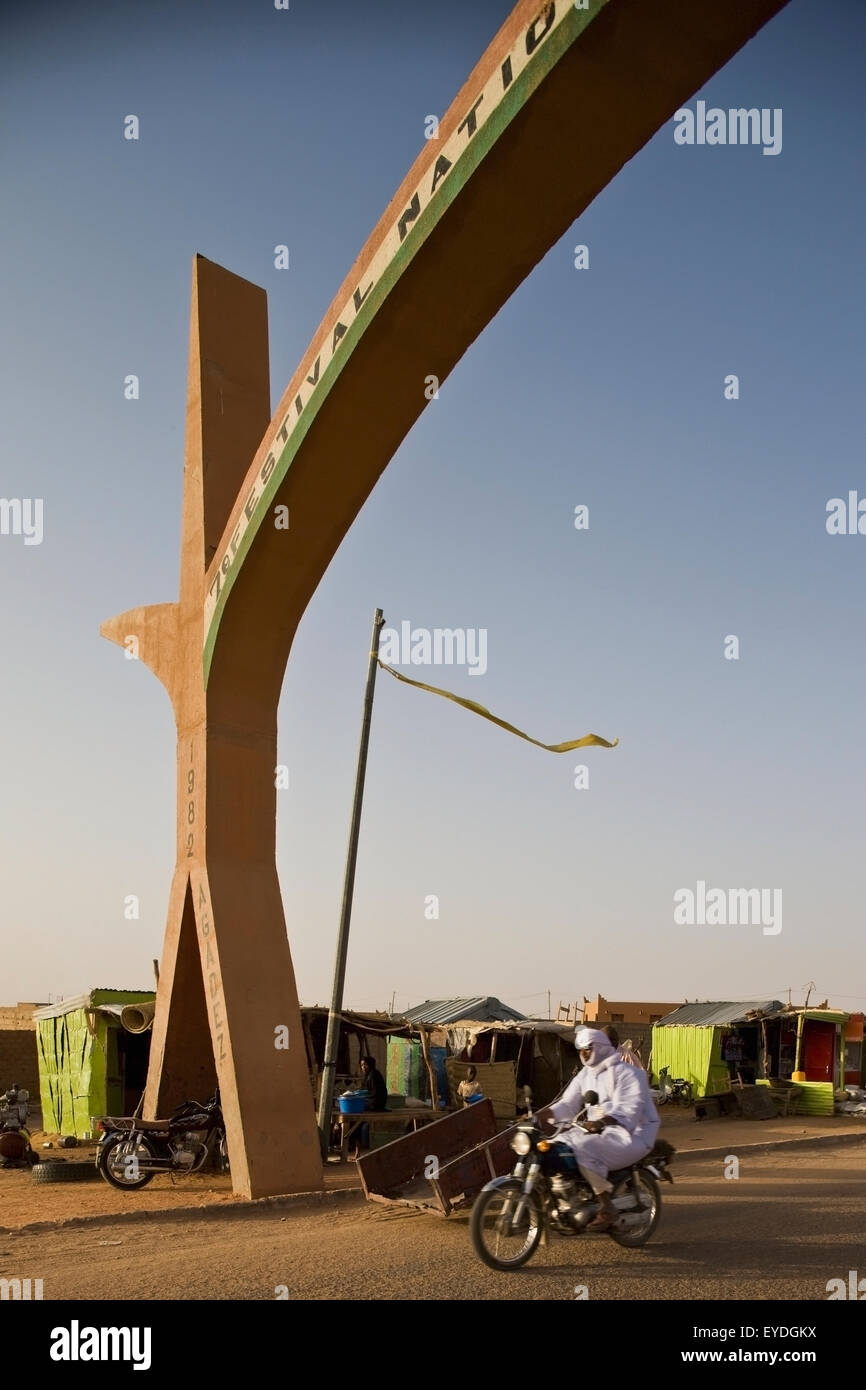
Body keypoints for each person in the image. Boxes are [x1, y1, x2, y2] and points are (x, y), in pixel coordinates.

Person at [541, 1026, 660, 1231]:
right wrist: (543, 1116)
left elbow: (628, 1109)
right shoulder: (585, 1075)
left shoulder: (630, 1073)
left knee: (585, 1146)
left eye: (588, 1048)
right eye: (581, 1050)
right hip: (598, 1130)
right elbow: (568, 1104)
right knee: (554, 1146)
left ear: (602, 1047)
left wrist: (602, 1122)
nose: (583, 1054)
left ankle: (607, 1207)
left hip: (633, 1134)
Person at [349, 1055, 388, 1158]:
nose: (363, 1067)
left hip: (376, 1104)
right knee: (354, 1121)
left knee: (354, 1121)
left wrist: (363, 1095)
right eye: (362, 1065)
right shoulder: (368, 1075)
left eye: (365, 1064)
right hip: (370, 1102)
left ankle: (357, 1150)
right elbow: (367, 1091)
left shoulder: (374, 1075)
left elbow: (376, 1093)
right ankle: (357, 1151)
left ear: (370, 1064)